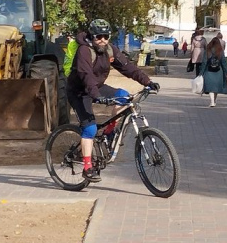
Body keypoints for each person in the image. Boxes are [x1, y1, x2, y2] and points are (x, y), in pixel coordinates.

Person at [66, 18, 159, 182]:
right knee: (90, 129)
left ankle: (109, 133)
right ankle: (87, 167)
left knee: (123, 96)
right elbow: (86, 76)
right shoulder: (84, 51)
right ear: (91, 36)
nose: (102, 40)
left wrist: (147, 82)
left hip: (97, 87)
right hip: (79, 91)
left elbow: (128, 67)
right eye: (98, 37)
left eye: (105, 36)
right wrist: (97, 96)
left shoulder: (110, 50)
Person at [199, 36, 227, 107]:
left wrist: (201, 72)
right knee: (216, 87)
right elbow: (223, 62)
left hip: (208, 70)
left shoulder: (208, 50)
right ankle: (214, 101)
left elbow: (204, 62)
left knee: (210, 87)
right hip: (219, 71)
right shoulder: (220, 51)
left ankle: (212, 101)